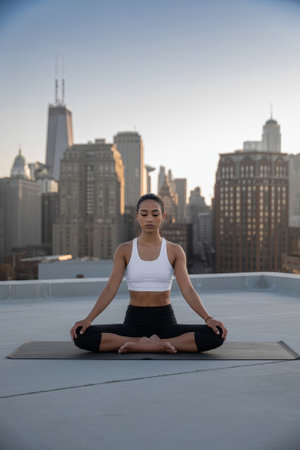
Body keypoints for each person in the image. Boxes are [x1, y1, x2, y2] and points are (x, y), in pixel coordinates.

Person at [70, 193, 227, 354]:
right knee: (81, 336)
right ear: (137, 217)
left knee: (216, 334)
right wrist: (88, 319)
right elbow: (110, 289)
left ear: (163, 216)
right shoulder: (124, 250)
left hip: (165, 322)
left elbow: (187, 290)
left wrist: (208, 318)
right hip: (133, 322)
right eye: (144, 214)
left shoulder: (175, 250)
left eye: (155, 214)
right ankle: (143, 342)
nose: (150, 219)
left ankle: (153, 343)